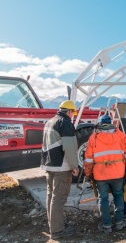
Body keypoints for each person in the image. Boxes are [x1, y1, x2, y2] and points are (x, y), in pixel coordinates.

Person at [84, 114, 126, 233]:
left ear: (99, 124)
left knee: (103, 199)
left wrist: (88, 173)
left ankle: (106, 225)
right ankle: (120, 223)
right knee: (118, 196)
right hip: (118, 173)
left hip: (100, 174)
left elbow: (89, 159)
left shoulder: (93, 137)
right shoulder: (121, 135)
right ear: (111, 122)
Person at [41, 100, 79, 240]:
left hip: (49, 164)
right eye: (73, 112)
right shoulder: (65, 123)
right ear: (69, 111)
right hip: (61, 167)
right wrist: (75, 167)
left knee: (51, 195)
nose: (73, 115)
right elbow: (69, 148)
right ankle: (57, 230)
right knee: (59, 197)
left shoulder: (50, 121)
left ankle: (54, 225)